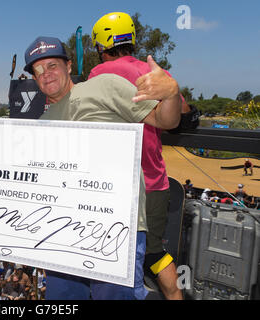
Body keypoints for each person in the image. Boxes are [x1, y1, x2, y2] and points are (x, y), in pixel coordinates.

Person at [0, 32, 182, 300]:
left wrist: (171, 95)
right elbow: (24, 190)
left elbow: (166, 121)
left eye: (52, 65)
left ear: (69, 67)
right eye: (38, 70)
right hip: (60, 237)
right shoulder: (40, 126)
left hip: (117, 231)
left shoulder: (105, 86)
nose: (46, 74)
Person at [89, 12, 197, 300]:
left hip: (119, 184)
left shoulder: (99, 74)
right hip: (156, 181)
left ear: (100, 45)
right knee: (154, 252)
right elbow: (185, 116)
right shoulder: (157, 73)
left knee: (117, 254)